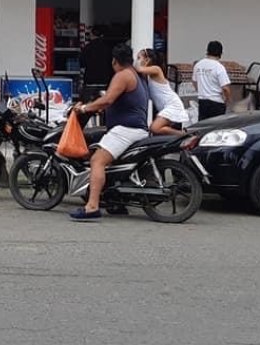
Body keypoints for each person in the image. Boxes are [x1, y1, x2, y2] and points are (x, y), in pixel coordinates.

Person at [69, 43, 150, 221]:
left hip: (126, 130)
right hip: (135, 128)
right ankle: (115, 201)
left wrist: (84, 108)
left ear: (114, 61)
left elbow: (108, 99)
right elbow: (115, 101)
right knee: (104, 153)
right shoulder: (135, 74)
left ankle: (91, 207)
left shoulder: (122, 75)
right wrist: (98, 106)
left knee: (97, 160)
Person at [136, 48, 187, 136]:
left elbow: (139, 69)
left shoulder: (156, 69)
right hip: (165, 107)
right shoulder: (148, 75)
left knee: (154, 128)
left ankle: (183, 134)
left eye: (139, 58)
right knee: (159, 131)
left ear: (147, 60)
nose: (137, 60)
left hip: (172, 105)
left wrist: (137, 63)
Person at [194, 40, 232, 121]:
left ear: (207, 51)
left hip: (202, 102)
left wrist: (201, 90)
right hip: (217, 103)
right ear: (220, 53)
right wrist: (228, 100)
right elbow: (225, 88)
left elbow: (194, 81)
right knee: (216, 126)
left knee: (203, 125)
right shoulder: (219, 67)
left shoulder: (198, 65)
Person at [79, 26, 114, 102]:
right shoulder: (108, 48)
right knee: (103, 103)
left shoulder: (87, 48)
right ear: (102, 35)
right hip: (104, 81)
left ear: (91, 35)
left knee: (88, 103)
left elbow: (82, 63)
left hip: (90, 81)